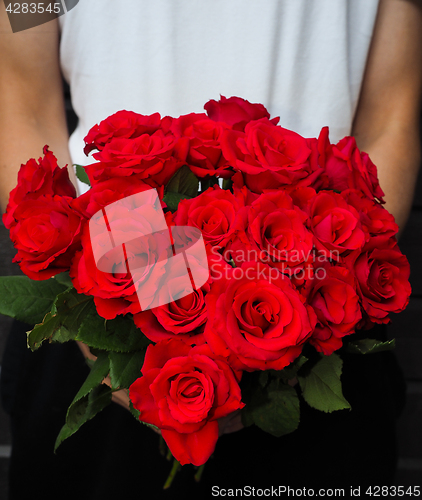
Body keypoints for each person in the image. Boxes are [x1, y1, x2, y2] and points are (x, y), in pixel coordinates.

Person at [0, 1, 421, 498]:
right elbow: (23, 98)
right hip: (99, 286)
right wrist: (114, 311)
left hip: (315, 295)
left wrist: (292, 325)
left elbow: (391, 116)